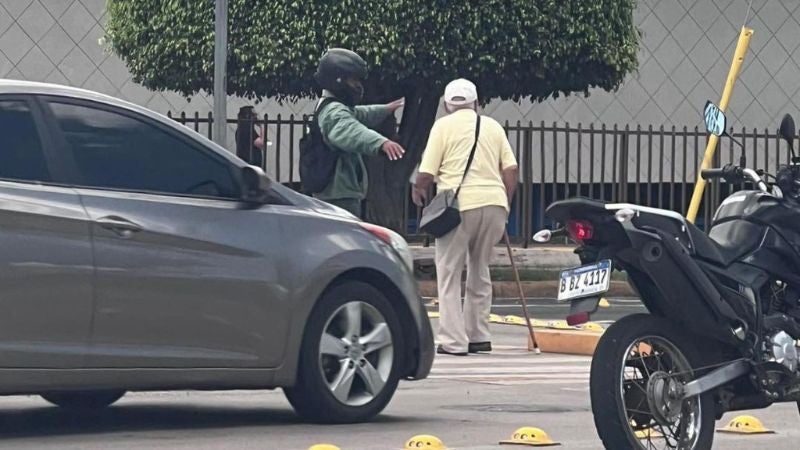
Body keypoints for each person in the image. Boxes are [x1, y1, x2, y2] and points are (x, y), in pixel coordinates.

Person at [412, 78, 519, 356]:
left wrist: (418, 189)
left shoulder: (442, 126)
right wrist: (505, 205)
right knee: (480, 268)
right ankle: (479, 336)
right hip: (494, 204)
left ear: (447, 105)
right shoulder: (492, 126)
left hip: (458, 207)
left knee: (449, 273)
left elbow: (426, 172)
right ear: (476, 103)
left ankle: (453, 341)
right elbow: (511, 170)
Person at [311, 48, 405, 218]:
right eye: (353, 80)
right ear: (337, 79)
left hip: (337, 192)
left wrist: (385, 109)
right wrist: (381, 143)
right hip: (338, 195)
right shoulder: (334, 112)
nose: (357, 86)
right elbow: (352, 131)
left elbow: (360, 114)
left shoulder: (331, 105)